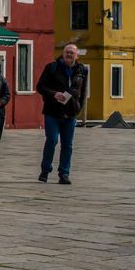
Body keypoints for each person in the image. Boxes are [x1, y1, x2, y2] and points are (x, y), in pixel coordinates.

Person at [36, 43, 87, 184]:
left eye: (72, 53)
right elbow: (40, 86)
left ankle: (64, 173)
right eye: (66, 52)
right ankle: (45, 170)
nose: (69, 55)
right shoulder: (52, 67)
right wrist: (54, 94)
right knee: (52, 140)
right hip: (52, 111)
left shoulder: (81, 70)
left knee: (67, 145)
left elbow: (82, 91)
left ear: (77, 55)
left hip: (70, 113)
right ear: (63, 54)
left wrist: (78, 107)